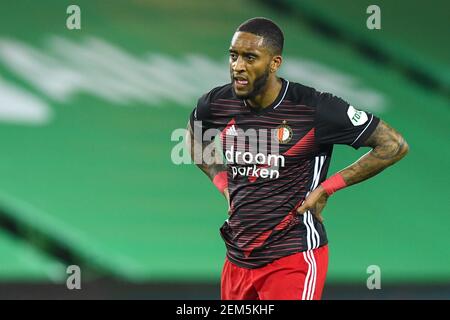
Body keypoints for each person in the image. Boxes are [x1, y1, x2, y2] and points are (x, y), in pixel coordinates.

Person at [186, 17, 408, 300]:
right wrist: (222, 183)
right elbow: (194, 136)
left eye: (250, 57)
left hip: (293, 256)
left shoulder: (315, 108)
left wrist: (328, 187)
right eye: (233, 56)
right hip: (237, 259)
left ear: (274, 62)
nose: (237, 66)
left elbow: (393, 145)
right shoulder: (218, 102)